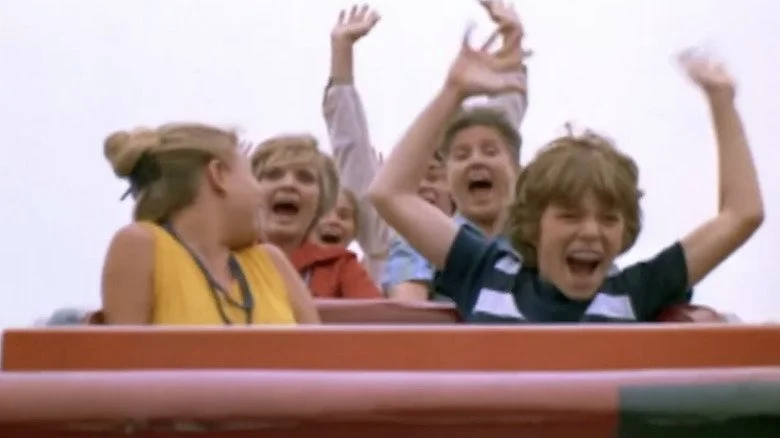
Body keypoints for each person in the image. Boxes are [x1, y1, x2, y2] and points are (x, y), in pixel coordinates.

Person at [368, 12, 763, 323]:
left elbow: (741, 215)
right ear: (534, 226)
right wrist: (453, 92)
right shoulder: (486, 271)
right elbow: (390, 193)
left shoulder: (634, 291)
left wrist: (722, 101)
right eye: (571, 216)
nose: (590, 231)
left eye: (608, 219)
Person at [100, 123, 320, 324]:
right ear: (218, 175)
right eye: (251, 175)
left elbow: (322, 357)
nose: (261, 192)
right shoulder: (142, 245)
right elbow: (126, 359)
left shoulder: (271, 262)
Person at [251, 134, 382, 298]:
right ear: (250, 191)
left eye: (305, 178)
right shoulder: (223, 258)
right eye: (273, 175)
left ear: (322, 201)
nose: (288, 184)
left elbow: (377, 321)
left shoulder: (340, 265)